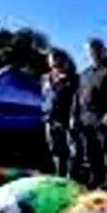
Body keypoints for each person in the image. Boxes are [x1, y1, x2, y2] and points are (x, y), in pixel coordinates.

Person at [72, 38, 107, 189]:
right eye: (91, 50)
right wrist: (75, 115)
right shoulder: (85, 73)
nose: (94, 53)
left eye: (97, 49)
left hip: (104, 116)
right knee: (91, 150)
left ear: (104, 51)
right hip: (85, 116)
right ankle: (96, 177)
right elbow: (78, 96)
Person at [41, 49, 78, 178]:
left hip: (66, 119)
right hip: (50, 118)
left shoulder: (73, 78)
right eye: (50, 60)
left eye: (55, 59)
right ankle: (59, 176)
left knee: (71, 151)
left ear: (63, 59)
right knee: (55, 150)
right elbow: (45, 96)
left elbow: (77, 99)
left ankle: (71, 177)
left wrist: (74, 117)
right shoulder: (45, 78)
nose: (52, 62)